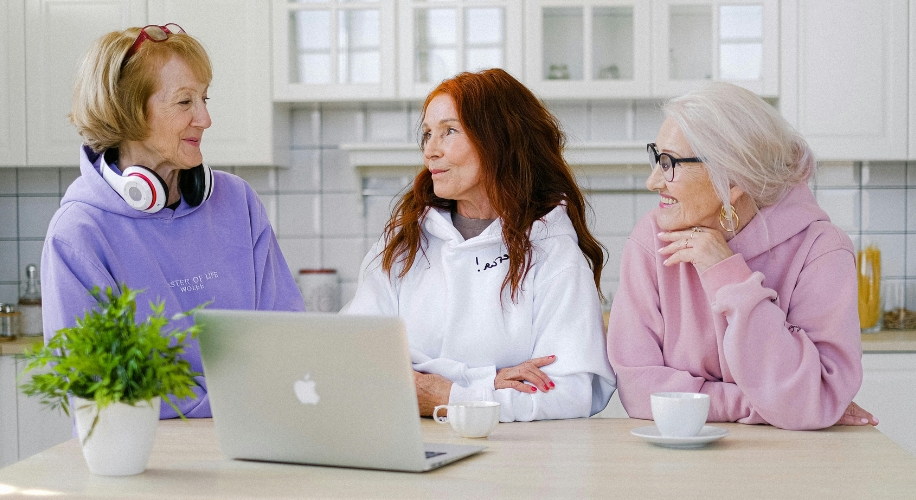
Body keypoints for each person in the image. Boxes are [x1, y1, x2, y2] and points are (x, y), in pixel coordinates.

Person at [42, 24, 304, 419]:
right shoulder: (78, 233)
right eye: (185, 102)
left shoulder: (237, 202)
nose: (206, 118)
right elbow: (99, 385)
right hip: (146, 457)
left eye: (204, 98)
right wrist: (238, 395)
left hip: (256, 438)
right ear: (127, 112)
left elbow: (288, 337)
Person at [345, 69, 616, 422]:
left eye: (449, 131)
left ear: (499, 140)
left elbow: (570, 394)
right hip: (406, 447)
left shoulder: (554, 253)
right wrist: (487, 381)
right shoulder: (402, 242)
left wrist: (446, 395)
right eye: (427, 134)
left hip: (513, 460)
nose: (430, 150)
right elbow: (353, 357)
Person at [607, 81, 877, 430]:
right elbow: (639, 391)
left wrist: (726, 274)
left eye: (668, 162)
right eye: (655, 157)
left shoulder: (822, 250)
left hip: (793, 466)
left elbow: (814, 397)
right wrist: (763, 405)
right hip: (678, 464)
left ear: (732, 180)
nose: (653, 180)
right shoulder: (651, 239)